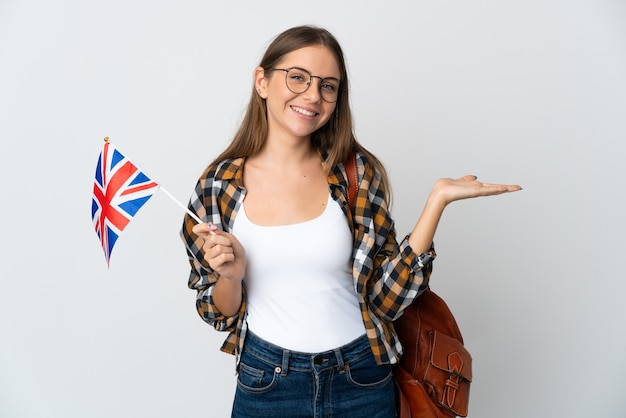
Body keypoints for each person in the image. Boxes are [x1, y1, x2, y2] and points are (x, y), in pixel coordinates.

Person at [181, 25, 521, 418]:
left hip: (361, 376)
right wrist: (231, 275)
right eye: (297, 77)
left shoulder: (355, 174)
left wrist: (436, 203)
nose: (312, 95)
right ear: (262, 81)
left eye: (328, 85)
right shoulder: (217, 187)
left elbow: (385, 301)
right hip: (268, 383)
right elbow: (217, 312)